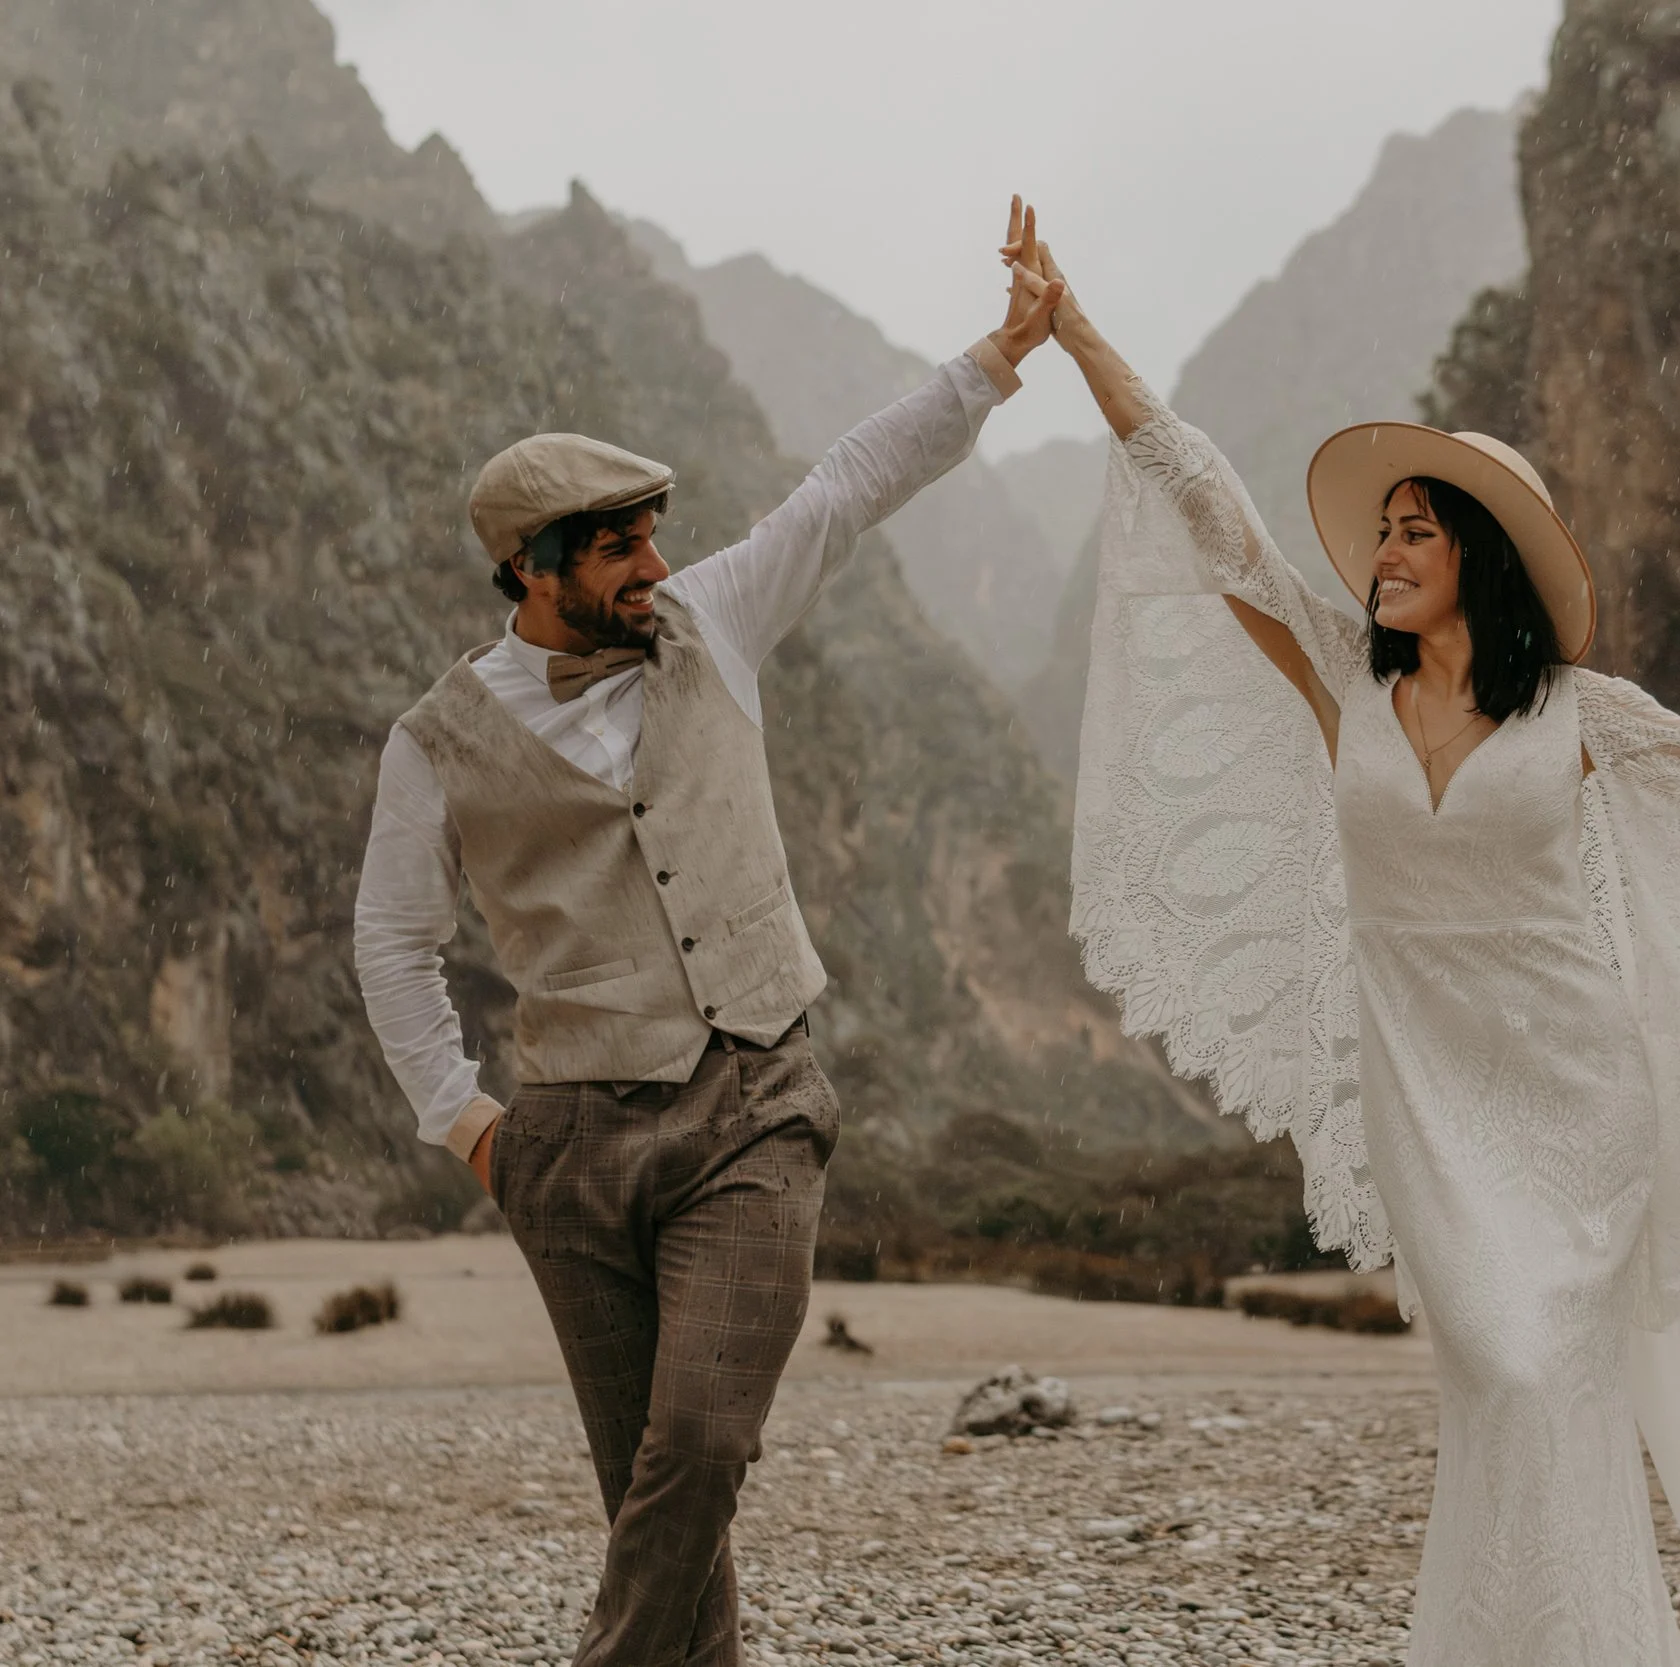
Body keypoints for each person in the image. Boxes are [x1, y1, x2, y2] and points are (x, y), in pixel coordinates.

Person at [1021, 211, 1680, 1667]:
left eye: (1413, 531)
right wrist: (1075, 330)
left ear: (1478, 562)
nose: (1384, 553)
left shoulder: (1582, 719)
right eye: (1383, 529)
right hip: (1430, 1097)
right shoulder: (1348, 684)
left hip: (1578, 1097)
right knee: (1500, 1379)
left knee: (1545, 1382)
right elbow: (1212, 509)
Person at [351, 208, 1062, 1667]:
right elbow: (392, 946)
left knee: (702, 1442)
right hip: (566, 1144)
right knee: (656, 1496)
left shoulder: (713, 622)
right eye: (617, 547)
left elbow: (847, 487)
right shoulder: (436, 742)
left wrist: (1000, 356)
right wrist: (470, 1125)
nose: (654, 562)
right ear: (532, 570)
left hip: (755, 1104)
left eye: (654, 533)